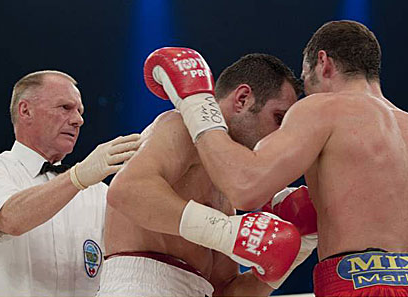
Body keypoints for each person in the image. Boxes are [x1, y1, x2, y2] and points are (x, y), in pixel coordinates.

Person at [144, 21, 408, 297]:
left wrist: (198, 104)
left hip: (360, 281)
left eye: (305, 78)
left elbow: (244, 187)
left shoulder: (322, 107)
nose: (305, 93)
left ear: (322, 63)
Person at [103, 53, 312, 296]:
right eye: (278, 119)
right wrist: (225, 231)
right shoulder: (180, 126)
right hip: (140, 286)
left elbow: (225, 291)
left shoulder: (225, 184)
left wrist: (298, 251)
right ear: (242, 99)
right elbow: (126, 191)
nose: (280, 136)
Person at [0, 70, 141, 297]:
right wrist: (78, 176)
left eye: (80, 111)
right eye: (65, 107)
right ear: (26, 110)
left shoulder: (99, 194)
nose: (78, 120)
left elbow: (130, 262)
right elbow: (11, 219)